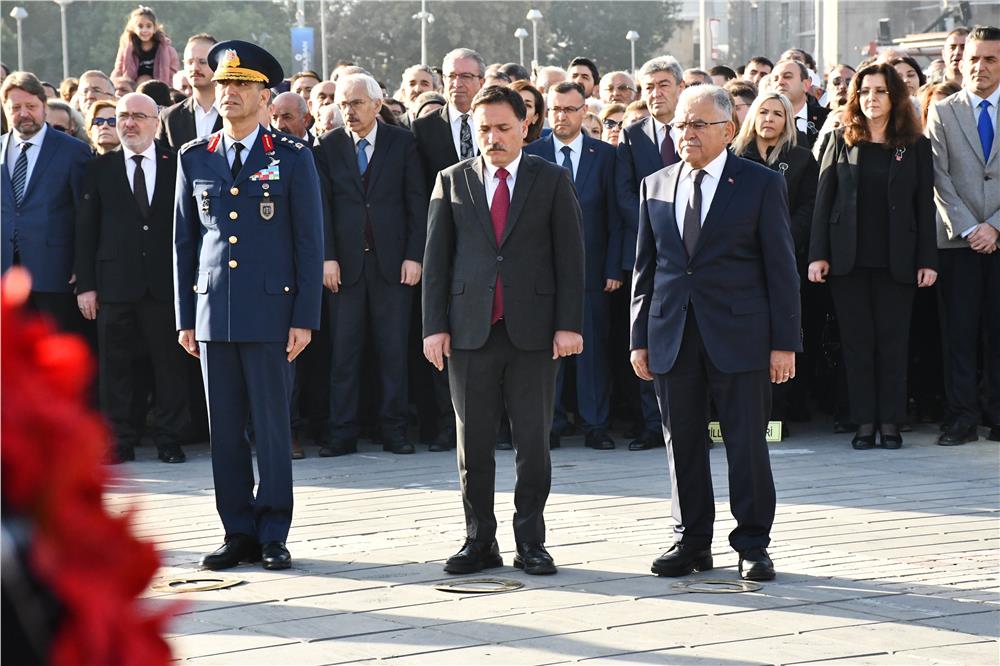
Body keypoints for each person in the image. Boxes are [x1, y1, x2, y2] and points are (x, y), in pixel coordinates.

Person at [630, 84, 800, 582]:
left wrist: (784, 343)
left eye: (698, 124)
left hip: (740, 335)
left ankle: (752, 543)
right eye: (681, 124)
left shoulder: (759, 184)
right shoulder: (655, 184)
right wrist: (639, 336)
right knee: (680, 440)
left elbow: (781, 268)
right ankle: (691, 541)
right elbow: (646, 269)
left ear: (727, 131)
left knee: (746, 441)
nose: (686, 133)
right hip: (671, 332)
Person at [173, 40, 323, 571]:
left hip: (270, 313)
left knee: (272, 426)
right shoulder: (195, 157)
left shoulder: (291, 155)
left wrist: (305, 316)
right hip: (214, 314)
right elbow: (185, 243)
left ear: (265, 95)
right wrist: (185, 317)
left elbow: (309, 241)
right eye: (224, 83)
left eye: (241, 85)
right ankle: (236, 530)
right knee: (226, 429)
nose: (229, 92)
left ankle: (273, 531)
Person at [422, 85, 584, 576]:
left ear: (525, 127)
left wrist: (568, 325)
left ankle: (531, 541)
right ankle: (479, 541)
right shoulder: (451, 179)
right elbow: (436, 260)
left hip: (533, 333)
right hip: (469, 332)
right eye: (484, 128)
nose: (492, 137)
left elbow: (570, 257)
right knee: (472, 445)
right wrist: (434, 328)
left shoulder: (551, 179)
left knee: (533, 442)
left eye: (503, 128)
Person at [808, 63, 937, 450]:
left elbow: (923, 207)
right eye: (864, 91)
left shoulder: (914, 145)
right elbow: (823, 201)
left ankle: (891, 422)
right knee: (857, 344)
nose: (871, 98)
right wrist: (818, 255)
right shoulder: (840, 139)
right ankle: (865, 422)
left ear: (894, 97)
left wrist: (927, 260)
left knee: (893, 345)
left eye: (880, 91)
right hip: (849, 262)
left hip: (898, 262)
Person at [313, 73, 427, 457]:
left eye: (356, 103)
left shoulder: (402, 143)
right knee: (344, 354)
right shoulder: (327, 146)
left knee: (392, 352)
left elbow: (417, 203)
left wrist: (415, 256)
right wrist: (327, 257)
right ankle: (341, 433)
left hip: (393, 266)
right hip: (343, 268)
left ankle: (394, 430)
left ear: (378, 105)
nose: (349, 111)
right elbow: (321, 210)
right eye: (343, 104)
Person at [74, 92, 188, 464]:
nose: (128, 123)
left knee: (169, 367)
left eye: (138, 116)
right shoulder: (99, 168)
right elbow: (85, 231)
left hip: (164, 285)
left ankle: (169, 439)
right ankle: (118, 440)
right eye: (122, 116)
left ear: (156, 122)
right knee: (115, 369)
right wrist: (87, 286)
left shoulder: (177, 164)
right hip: (114, 285)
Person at [525, 80, 622, 449]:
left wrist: (614, 267)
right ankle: (548, 425)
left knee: (592, 351)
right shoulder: (531, 153)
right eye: (555, 110)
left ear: (584, 112)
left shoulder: (606, 155)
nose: (561, 116)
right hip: (541, 274)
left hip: (592, 272)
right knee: (545, 353)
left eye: (569, 109)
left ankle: (594, 424)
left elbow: (615, 217)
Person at [926, 25, 1000, 445]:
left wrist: (996, 227)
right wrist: (973, 227)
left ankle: (997, 412)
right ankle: (961, 417)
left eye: (990, 59)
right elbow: (939, 176)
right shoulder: (943, 110)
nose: (980, 67)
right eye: (973, 58)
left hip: (999, 238)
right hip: (958, 242)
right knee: (958, 334)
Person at [411, 47, 486, 452]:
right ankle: (447, 425)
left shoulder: (497, 124)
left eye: (466, 77)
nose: (457, 84)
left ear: (481, 80)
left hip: (494, 250)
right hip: (444, 247)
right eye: (451, 76)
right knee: (443, 337)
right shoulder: (423, 129)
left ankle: (499, 425)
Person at [732, 92, 819, 425]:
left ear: (787, 122)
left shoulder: (801, 159)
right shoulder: (735, 156)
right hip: (742, 261)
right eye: (763, 112)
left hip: (786, 259)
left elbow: (808, 208)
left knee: (784, 334)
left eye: (777, 114)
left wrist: (780, 239)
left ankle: (783, 411)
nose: (769, 119)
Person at [615, 55, 685, 452]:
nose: (655, 93)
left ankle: (692, 423)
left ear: (678, 87)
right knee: (646, 335)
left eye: (662, 84)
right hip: (649, 248)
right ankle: (650, 425)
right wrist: (656, 227)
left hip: (694, 251)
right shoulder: (633, 134)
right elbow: (624, 193)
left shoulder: (697, 128)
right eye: (648, 87)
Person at [2, 71, 92, 336]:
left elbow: (84, 215)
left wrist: (81, 266)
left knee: (52, 355)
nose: (23, 114)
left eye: (31, 106)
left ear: (44, 106)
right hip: (5, 276)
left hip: (54, 273)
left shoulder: (72, 151)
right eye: (15, 108)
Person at [157, 34, 222, 150]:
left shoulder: (237, 113)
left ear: (219, 64)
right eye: (189, 62)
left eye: (202, 62)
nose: (195, 68)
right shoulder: (169, 117)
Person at [111, 6, 180, 85]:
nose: (144, 30)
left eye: (148, 26)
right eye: (140, 26)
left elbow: (173, 74)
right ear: (134, 28)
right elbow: (118, 70)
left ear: (154, 28)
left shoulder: (167, 50)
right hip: (134, 89)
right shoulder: (126, 50)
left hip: (160, 89)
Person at [772, 59, 829, 148]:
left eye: (787, 76)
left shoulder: (827, 118)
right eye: (775, 79)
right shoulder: (763, 120)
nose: (780, 82)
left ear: (806, 84)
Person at [510, 80, 545, 144]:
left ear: (535, 117)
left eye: (527, 105)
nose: (519, 108)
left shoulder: (543, 151)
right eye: (515, 102)